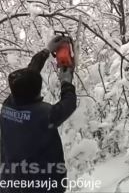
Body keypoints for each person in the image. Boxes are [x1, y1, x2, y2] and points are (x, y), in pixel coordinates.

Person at [0, 36, 77, 193]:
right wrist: (66, 81)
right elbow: (69, 104)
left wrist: (45, 52)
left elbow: (26, 78)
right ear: (36, 90)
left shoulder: (7, 107)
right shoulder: (44, 114)